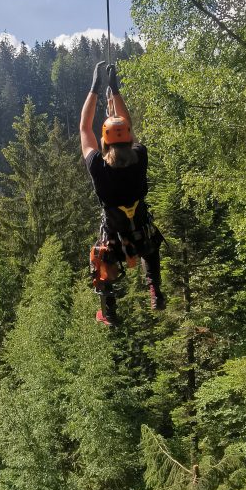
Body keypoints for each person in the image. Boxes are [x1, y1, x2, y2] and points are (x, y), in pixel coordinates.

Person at [80, 60, 165, 326]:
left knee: (100, 262)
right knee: (150, 250)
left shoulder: (98, 166)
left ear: (105, 141)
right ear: (128, 138)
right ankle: (155, 290)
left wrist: (94, 88)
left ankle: (109, 311)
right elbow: (126, 124)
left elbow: (85, 128)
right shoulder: (140, 157)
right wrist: (115, 91)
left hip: (115, 240)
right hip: (140, 233)